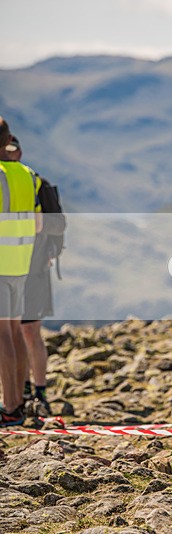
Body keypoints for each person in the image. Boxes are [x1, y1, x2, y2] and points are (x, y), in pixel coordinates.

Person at [6, 136, 66, 419]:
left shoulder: (31, 180)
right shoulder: (26, 178)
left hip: (32, 266)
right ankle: (25, 391)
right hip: (23, 264)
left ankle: (34, 394)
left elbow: (51, 224)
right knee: (20, 331)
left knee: (25, 330)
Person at [0, 117, 42, 427]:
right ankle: (17, 404)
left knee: (3, 336)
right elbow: (38, 224)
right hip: (21, 262)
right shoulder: (28, 175)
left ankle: (11, 406)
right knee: (14, 333)